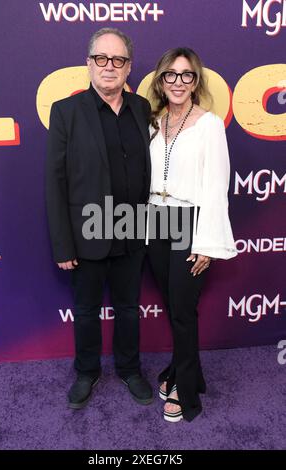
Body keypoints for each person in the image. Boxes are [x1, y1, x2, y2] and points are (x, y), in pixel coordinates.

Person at [46, 28, 153, 409]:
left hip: (131, 230)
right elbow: (55, 182)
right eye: (102, 59)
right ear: (89, 64)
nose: (110, 67)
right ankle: (87, 372)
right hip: (86, 232)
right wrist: (63, 242)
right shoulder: (66, 111)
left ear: (129, 67)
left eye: (118, 60)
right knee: (87, 310)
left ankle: (129, 369)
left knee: (128, 308)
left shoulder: (141, 108)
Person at [146, 47, 237, 422]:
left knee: (183, 311)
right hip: (153, 222)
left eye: (186, 75)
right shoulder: (153, 122)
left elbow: (217, 186)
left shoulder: (210, 125)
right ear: (161, 80)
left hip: (189, 221)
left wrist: (206, 242)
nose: (178, 82)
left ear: (195, 81)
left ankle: (187, 391)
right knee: (173, 304)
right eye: (171, 74)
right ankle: (190, 373)